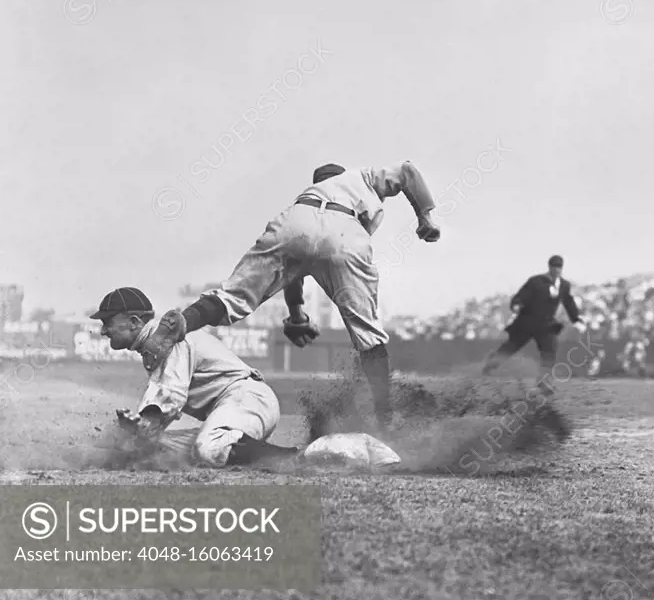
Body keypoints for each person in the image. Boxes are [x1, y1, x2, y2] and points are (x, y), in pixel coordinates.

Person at [139, 161, 441, 430]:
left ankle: (184, 320)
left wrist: (297, 317)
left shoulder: (309, 195)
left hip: (294, 225)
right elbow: (409, 171)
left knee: (233, 296)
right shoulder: (360, 177)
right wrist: (425, 216)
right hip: (345, 233)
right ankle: (385, 420)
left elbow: (292, 274)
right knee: (369, 337)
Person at [92, 287, 299, 467]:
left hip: (247, 399)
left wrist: (143, 427)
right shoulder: (155, 344)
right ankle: (238, 445)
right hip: (232, 408)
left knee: (207, 449)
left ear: (134, 322)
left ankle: (295, 458)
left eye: (107, 321)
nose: (103, 330)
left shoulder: (167, 338)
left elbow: (171, 396)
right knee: (155, 450)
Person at [482, 255, 586, 391]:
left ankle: (544, 380)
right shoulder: (536, 282)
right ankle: (491, 365)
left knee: (550, 350)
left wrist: (576, 319)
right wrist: (516, 305)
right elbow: (521, 296)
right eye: (554, 267)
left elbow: (569, 303)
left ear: (562, 268)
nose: (556, 270)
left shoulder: (564, 286)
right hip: (527, 322)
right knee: (511, 347)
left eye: (559, 267)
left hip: (547, 325)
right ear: (549, 267)